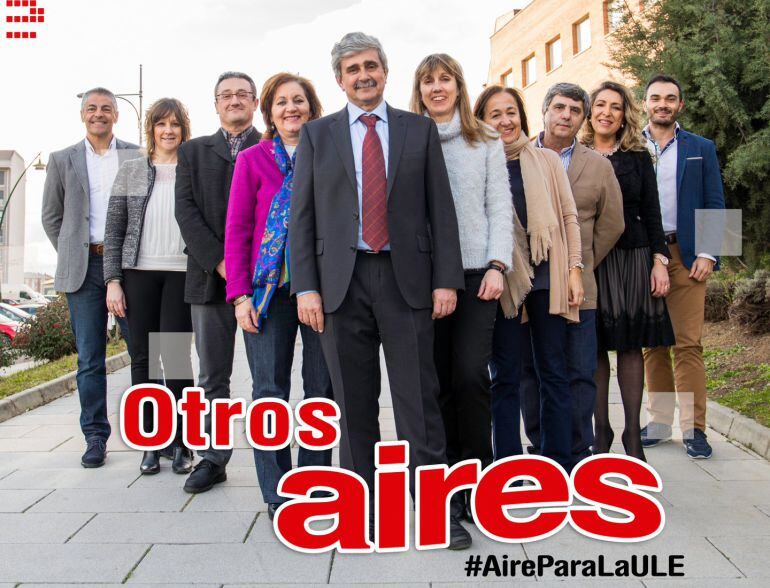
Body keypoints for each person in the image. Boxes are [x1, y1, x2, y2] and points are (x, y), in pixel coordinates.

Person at [289, 32, 466, 548]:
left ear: (385, 72)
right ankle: (362, 510)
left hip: (407, 280)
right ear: (339, 80)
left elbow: (442, 212)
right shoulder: (317, 135)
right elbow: (303, 218)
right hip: (340, 286)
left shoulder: (418, 130)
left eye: (370, 65)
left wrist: (446, 281)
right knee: (354, 403)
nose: (363, 75)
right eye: (352, 69)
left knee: (419, 401)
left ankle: (434, 508)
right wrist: (306, 289)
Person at [410, 55, 512, 536]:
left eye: (444, 79)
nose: (436, 87)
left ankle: (477, 479)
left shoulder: (485, 140)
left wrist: (498, 264)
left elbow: (499, 206)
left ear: (458, 84)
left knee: (472, 376)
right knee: (434, 383)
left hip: (476, 277)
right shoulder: (408, 139)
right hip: (421, 280)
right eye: (428, 81)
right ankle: (443, 482)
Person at [224, 73, 332, 520]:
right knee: (269, 391)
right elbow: (237, 229)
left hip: (322, 291)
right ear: (269, 112)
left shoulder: (329, 154)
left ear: (312, 107)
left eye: (300, 100)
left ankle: (314, 480)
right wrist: (238, 296)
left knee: (320, 390)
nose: (292, 108)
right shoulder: (252, 160)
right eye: (282, 102)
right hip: (266, 294)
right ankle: (276, 492)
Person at [474, 85, 583, 470]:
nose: (505, 121)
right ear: (482, 121)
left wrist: (574, 271)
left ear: (522, 114)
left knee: (553, 370)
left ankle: (559, 462)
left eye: (511, 112)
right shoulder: (480, 164)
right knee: (505, 374)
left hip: (548, 276)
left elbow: (569, 217)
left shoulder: (546, 160)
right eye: (495, 114)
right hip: (505, 281)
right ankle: (507, 464)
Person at [521, 83, 624, 468]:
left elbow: (612, 224)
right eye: (559, 107)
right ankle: (541, 445)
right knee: (531, 371)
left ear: (583, 119)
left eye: (574, 110)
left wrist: (578, 264)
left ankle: (578, 452)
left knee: (580, 371)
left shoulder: (598, 166)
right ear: (545, 110)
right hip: (530, 286)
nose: (566, 115)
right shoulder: (521, 155)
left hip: (581, 287)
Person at [42, 87, 138, 468]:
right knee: (90, 358)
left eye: (107, 109)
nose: (99, 114)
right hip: (83, 270)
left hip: (129, 267)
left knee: (144, 350)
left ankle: (158, 433)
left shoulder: (135, 155)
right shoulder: (62, 159)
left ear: (116, 115)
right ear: (83, 115)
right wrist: (72, 249)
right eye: (92, 109)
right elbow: (52, 217)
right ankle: (95, 436)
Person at [175, 72, 261, 493]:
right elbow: (186, 213)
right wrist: (225, 264)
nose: (234, 101)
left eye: (242, 94)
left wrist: (250, 268)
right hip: (211, 278)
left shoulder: (272, 145)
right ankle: (213, 457)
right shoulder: (192, 152)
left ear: (255, 102)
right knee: (211, 376)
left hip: (264, 279)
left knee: (269, 376)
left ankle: (280, 462)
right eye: (225, 95)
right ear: (215, 104)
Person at [582, 81, 675, 461]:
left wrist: (659, 260)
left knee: (631, 345)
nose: (607, 112)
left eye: (615, 107)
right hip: (592, 259)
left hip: (633, 257)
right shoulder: (578, 152)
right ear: (590, 111)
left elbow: (652, 211)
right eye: (600, 105)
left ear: (625, 114)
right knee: (595, 346)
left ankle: (632, 437)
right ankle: (599, 432)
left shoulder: (637, 156)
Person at [103, 98, 195, 475]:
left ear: (183, 130)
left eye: (175, 124)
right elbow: (114, 230)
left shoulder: (193, 168)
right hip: (138, 272)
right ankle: (151, 443)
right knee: (142, 359)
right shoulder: (131, 170)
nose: (168, 131)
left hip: (181, 272)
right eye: (161, 124)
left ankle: (183, 443)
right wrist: (113, 281)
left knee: (175, 359)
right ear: (152, 129)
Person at [641, 74, 726, 459]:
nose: (663, 103)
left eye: (670, 98)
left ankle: (694, 429)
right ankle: (659, 422)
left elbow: (716, 199)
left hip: (686, 255)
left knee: (688, 344)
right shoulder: (631, 145)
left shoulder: (700, 148)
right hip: (642, 256)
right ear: (644, 103)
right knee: (651, 345)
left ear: (681, 105)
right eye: (656, 97)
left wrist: (710, 252)